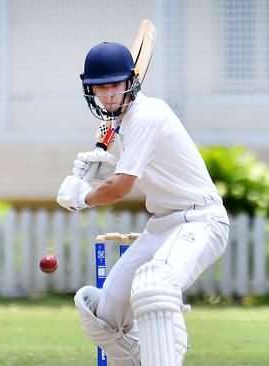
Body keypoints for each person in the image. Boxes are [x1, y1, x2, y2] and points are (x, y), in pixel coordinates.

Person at [57, 42, 230, 366]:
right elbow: (126, 173)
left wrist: (83, 196)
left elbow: (121, 187)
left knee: (156, 286)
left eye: (115, 85)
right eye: (100, 87)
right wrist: (98, 175)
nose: (108, 94)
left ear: (130, 82)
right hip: (163, 225)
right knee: (105, 316)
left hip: (201, 221)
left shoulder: (148, 114)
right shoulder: (123, 120)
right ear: (90, 89)